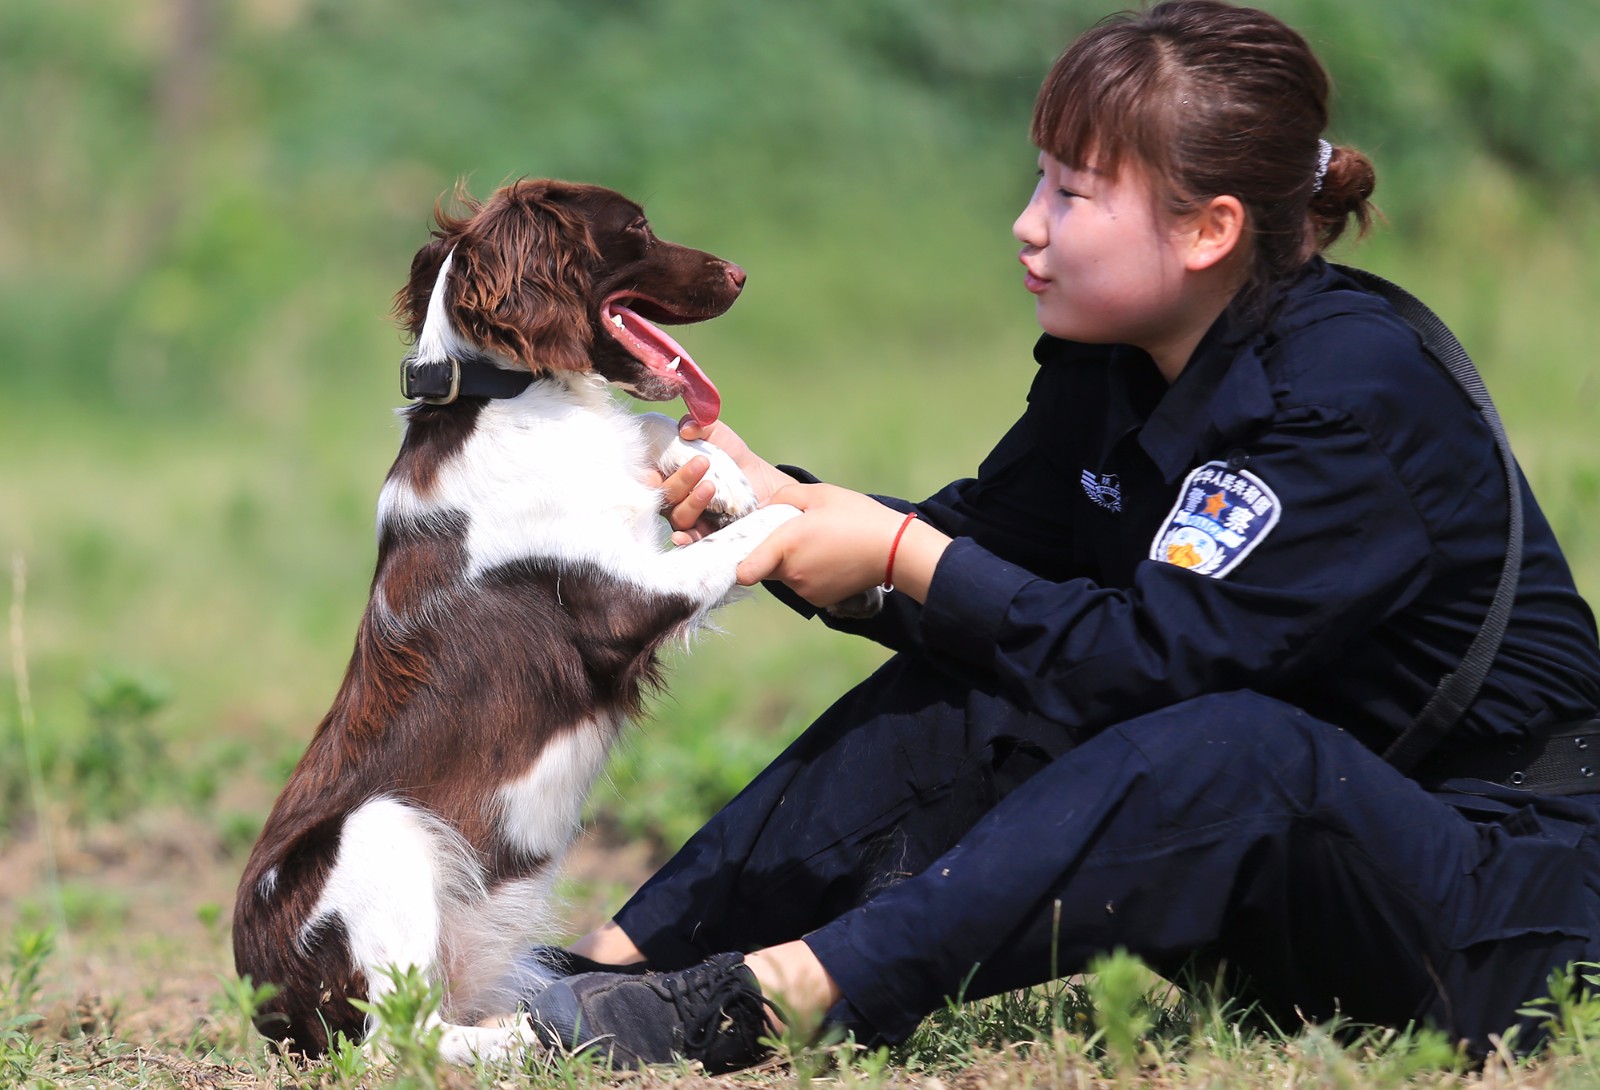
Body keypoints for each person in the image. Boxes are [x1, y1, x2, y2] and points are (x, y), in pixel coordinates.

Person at [523, 0, 1600, 1072]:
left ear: (1208, 228)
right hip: (1302, 875)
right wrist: (775, 508)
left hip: (1514, 906)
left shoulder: (1345, 395)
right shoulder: (1118, 360)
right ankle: (601, 979)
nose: (1027, 222)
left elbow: (1155, 669)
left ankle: (777, 1000)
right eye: (1039, 178)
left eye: (1072, 193)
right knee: (976, 696)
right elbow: (991, 573)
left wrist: (897, 552)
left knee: (1229, 743)